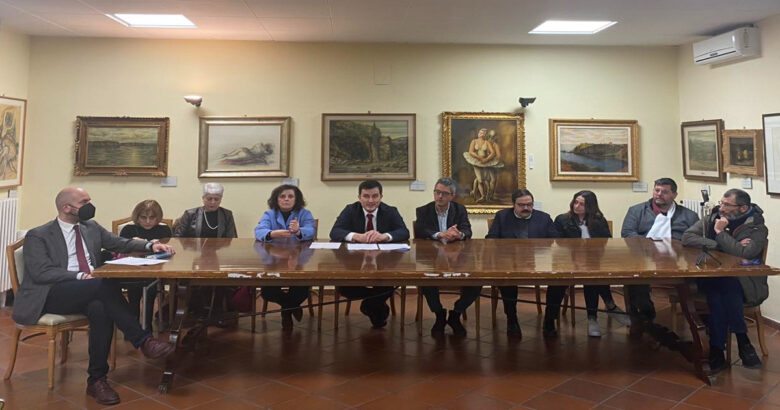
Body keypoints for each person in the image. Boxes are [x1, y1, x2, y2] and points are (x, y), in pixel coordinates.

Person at [12, 187, 175, 406]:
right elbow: (41, 272)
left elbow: (120, 243)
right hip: (52, 293)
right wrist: (79, 275)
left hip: (90, 289)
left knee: (100, 307)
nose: (90, 205)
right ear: (66, 208)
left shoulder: (90, 227)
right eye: (84, 202)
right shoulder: (39, 234)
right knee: (102, 285)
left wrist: (150, 245)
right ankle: (143, 340)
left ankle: (97, 380)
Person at [682, 188, 767, 371]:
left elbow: (745, 253)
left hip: (744, 281)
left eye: (727, 205)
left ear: (743, 208)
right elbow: (687, 237)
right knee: (723, 287)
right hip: (710, 275)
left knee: (721, 293)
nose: (721, 208)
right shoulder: (714, 217)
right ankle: (743, 340)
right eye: (721, 203)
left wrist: (720, 232)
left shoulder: (757, 227)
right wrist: (719, 244)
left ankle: (716, 349)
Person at [621, 177, 699, 336]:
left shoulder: (689, 215)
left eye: (664, 192)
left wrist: (673, 245)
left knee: (695, 281)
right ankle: (644, 317)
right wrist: (650, 244)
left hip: (678, 260)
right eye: (657, 190)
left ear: (674, 195)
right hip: (643, 258)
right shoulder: (637, 211)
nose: (659, 194)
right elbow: (627, 234)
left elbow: (696, 239)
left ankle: (696, 318)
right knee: (635, 281)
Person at [330, 180, 410, 328]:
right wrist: (356, 236)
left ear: (381, 196)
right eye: (366, 196)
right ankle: (375, 305)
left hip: (383, 265)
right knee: (344, 287)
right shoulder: (350, 210)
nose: (371, 201)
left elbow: (404, 232)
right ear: (359, 197)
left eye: (375, 196)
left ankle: (369, 305)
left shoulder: (390, 211)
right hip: (354, 265)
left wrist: (385, 236)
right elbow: (335, 232)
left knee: (388, 283)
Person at [553, 190, 630, 337]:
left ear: (590, 206)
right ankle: (608, 307)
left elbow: (606, 241)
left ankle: (593, 317)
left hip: (594, 261)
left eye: (582, 204)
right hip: (570, 262)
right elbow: (558, 243)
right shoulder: (562, 220)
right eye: (575, 202)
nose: (577, 206)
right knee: (593, 277)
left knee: (593, 275)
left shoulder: (599, 220)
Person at [486, 189, 559, 338]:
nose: (526, 208)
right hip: (509, 262)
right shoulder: (502, 216)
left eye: (529, 204)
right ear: (513, 204)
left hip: (538, 263)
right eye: (521, 205)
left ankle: (550, 319)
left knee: (558, 281)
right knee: (507, 280)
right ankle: (511, 318)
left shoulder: (544, 218)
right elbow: (491, 239)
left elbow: (555, 241)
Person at [414, 177, 478, 336]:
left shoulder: (460, 210)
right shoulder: (423, 210)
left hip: (457, 258)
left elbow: (468, 231)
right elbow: (421, 231)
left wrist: (458, 234)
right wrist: (439, 234)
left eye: (444, 193)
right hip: (431, 258)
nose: (440, 196)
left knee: (477, 282)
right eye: (437, 192)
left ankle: (456, 313)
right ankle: (439, 314)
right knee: (426, 281)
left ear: (452, 196)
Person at [174, 183, 238, 324]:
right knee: (198, 280)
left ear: (221, 199)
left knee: (222, 280)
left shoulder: (227, 214)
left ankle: (217, 311)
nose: (212, 202)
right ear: (203, 198)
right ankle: (200, 311)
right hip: (194, 257)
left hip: (219, 257)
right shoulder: (190, 214)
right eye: (209, 199)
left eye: (216, 199)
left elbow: (232, 238)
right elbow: (178, 238)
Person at [254, 184, 316, 331]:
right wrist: (272, 234)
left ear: (296, 199)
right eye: (282, 196)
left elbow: (311, 231)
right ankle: (291, 307)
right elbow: (259, 231)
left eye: (290, 196)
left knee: (301, 289)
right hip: (274, 260)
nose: (286, 199)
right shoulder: (269, 214)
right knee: (267, 291)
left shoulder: (304, 213)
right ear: (276, 199)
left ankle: (286, 312)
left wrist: (299, 231)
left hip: (298, 260)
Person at [119, 199, 172, 330]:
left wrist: (159, 244)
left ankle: (147, 325)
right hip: (132, 270)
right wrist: (133, 243)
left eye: (152, 218)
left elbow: (170, 252)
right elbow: (120, 250)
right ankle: (134, 326)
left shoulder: (164, 230)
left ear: (158, 217)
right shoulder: (128, 230)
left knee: (150, 286)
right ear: (137, 217)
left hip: (155, 270)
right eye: (143, 217)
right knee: (135, 289)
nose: (148, 221)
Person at [463, 128, 502, 203]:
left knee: (485, 179)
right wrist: (479, 158)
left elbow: (493, 152)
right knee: (480, 180)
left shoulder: (487, 142)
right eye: (480, 132)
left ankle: (485, 196)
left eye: (483, 133)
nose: (481, 134)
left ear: (485, 135)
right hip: (476, 161)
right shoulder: (474, 141)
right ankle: (482, 196)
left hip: (485, 162)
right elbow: (471, 152)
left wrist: (486, 159)